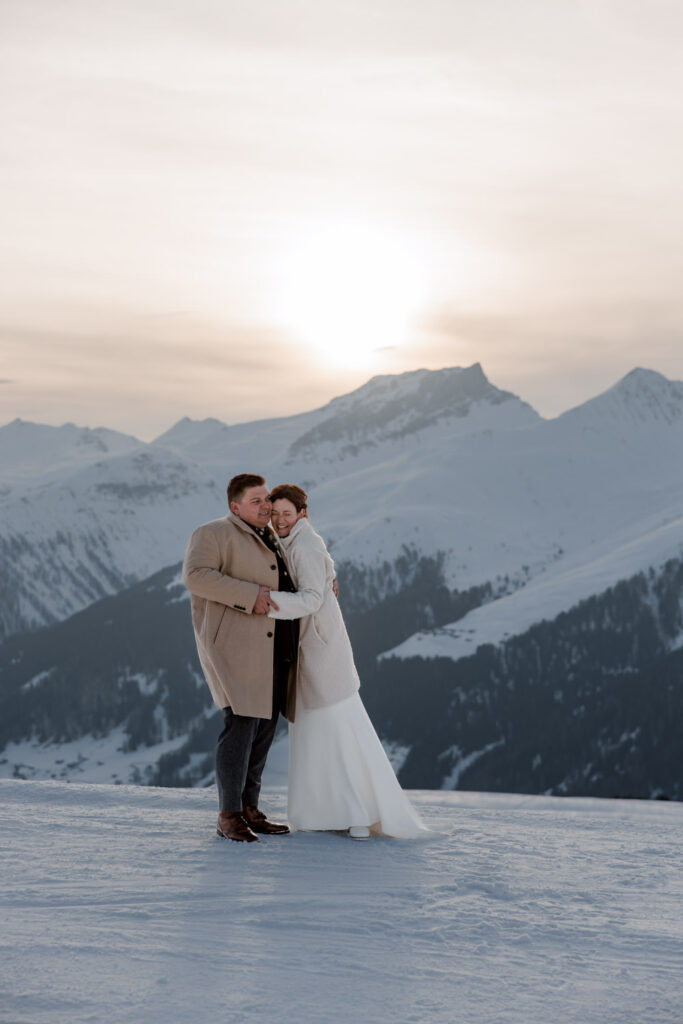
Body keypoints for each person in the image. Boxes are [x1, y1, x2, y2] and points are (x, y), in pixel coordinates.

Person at [267, 484, 432, 840]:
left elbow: (310, 598)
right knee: (323, 730)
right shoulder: (294, 539)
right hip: (316, 649)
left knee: (331, 728)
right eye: (275, 512)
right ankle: (336, 812)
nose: (280, 519)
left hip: (320, 650)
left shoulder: (305, 544)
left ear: (302, 515)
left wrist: (266, 602)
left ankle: (355, 813)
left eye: (287, 513)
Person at [182, 473, 298, 843]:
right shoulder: (213, 532)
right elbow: (196, 576)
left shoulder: (270, 535)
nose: (266, 506)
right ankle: (229, 815)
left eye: (267, 499)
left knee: (264, 728)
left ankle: (249, 808)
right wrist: (249, 594)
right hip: (235, 645)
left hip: (275, 644)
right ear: (235, 507)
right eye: (256, 501)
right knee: (242, 723)